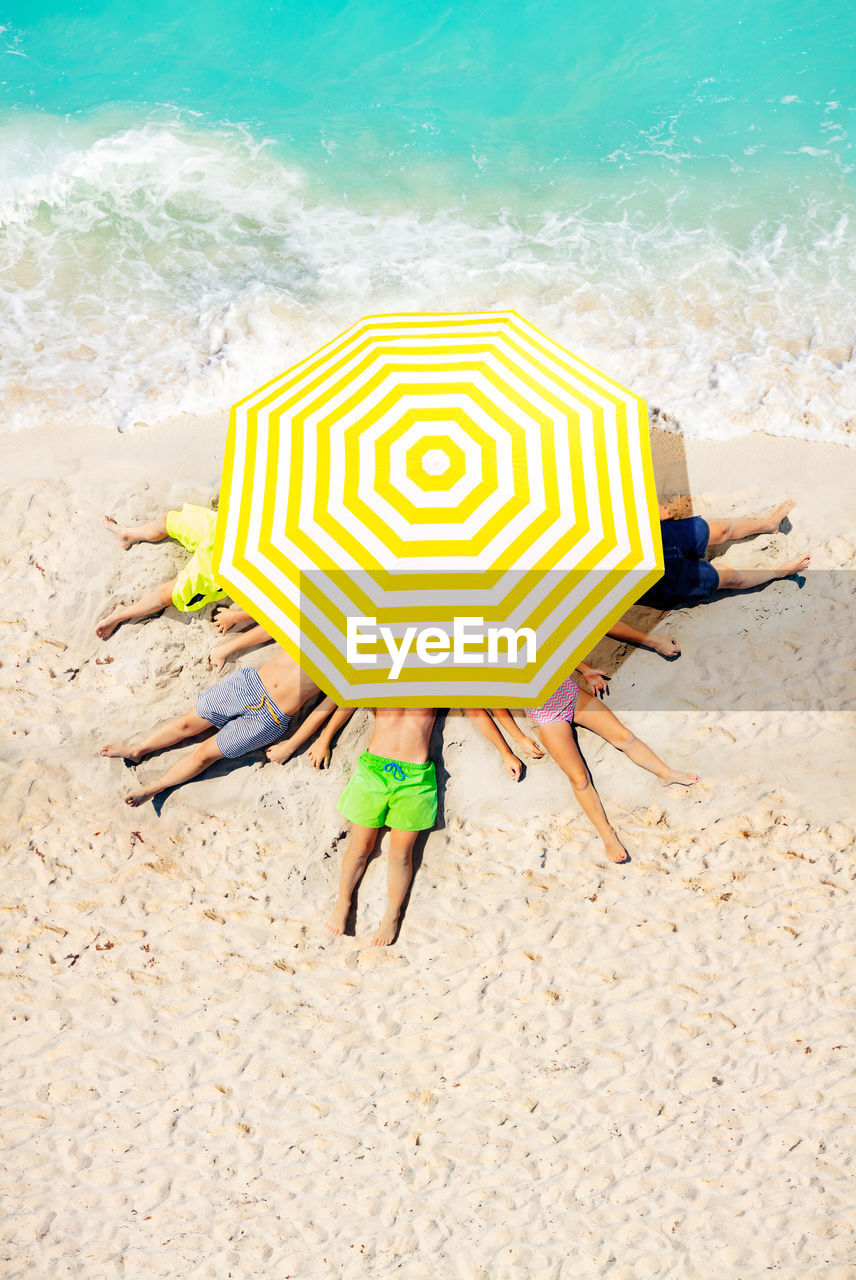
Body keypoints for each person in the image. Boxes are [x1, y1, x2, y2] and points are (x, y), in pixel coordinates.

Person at [296, 706, 526, 947]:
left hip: (415, 778)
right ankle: (343, 901)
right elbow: (347, 702)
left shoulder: (440, 685)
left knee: (401, 854)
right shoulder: (382, 675)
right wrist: (325, 739)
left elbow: (476, 711)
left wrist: (506, 752)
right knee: (360, 846)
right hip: (374, 770)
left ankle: (393, 913)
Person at [100, 647, 333, 807]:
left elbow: (325, 708)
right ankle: (138, 750)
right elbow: (269, 627)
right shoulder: (317, 620)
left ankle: (156, 787)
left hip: (269, 717)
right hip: (247, 685)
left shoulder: (346, 662)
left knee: (204, 755)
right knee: (186, 723)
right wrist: (229, 645)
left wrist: (291, 746)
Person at [528, 669, 698, 865]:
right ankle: (607, 834)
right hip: (547, 718)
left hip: (569, 694)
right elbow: (498, 707)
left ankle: (665, 773)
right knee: (579, 779)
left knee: (625, 737)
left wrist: (585, 670)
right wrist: (518, 739)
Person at [640, 499, 809, 609]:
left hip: (646, 539)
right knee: (729, 576)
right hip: (652, 578)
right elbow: (611, 623)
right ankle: (780, 572)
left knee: (721, 529)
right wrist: (653, 642)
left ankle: (768, 524)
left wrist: (647, 514)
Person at [95, 504, 226, 639]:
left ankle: (121, 615)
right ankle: (127, 534)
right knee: (167, 520)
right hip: (226, 530)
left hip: (223, 564)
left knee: (166, 595)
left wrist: (235, 617)